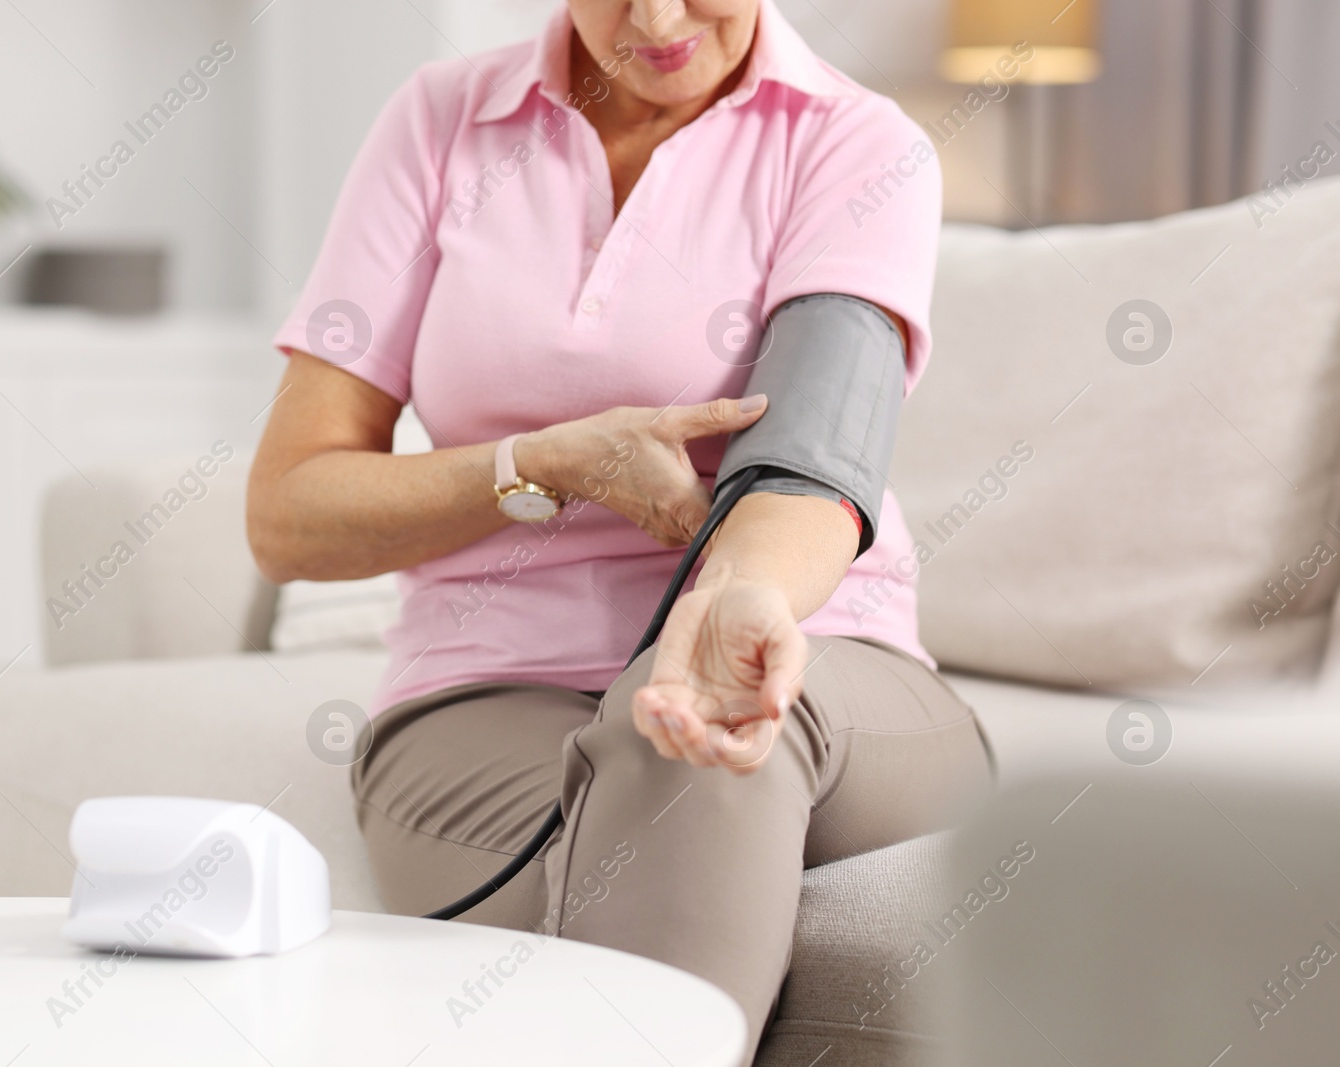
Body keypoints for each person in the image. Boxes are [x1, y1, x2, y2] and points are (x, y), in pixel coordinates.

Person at [248, 0, 991, 1060]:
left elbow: (814, 459)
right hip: (488, 686)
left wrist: (735, 604)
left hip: (828, 660)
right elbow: (288, 515)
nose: (652, 19)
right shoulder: (443, 121)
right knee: (671, 761)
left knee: (691, 716)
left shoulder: (856, 144)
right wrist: (539, 464)